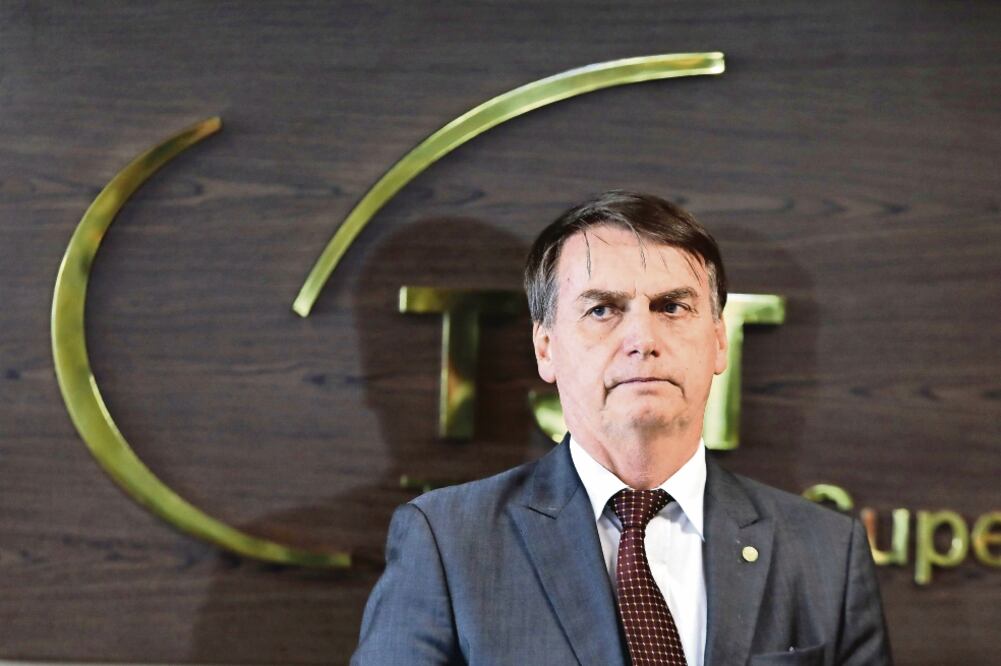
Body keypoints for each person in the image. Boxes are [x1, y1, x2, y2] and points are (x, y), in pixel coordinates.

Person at [351, 191, 892, 665]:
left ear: (720, 340)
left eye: (672, 307)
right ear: (546, 348)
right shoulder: (447, 541)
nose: (642, 338)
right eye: (603, 310)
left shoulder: (826, 553)